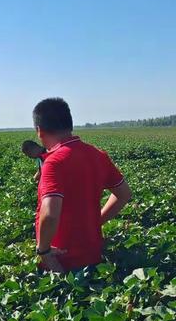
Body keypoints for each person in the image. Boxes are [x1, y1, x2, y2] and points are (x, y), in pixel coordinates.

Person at [33, 98, 131, 272]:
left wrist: (44, 250)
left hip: (62, 261)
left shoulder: (53, 162)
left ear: (40, 131)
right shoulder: (98, 155)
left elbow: (49, 214)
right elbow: (124, 194)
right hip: (93, 254)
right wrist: (96, 221)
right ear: (70, 125)